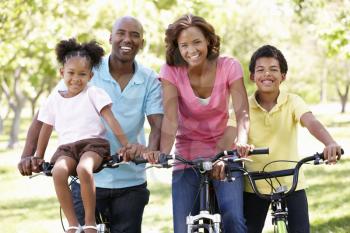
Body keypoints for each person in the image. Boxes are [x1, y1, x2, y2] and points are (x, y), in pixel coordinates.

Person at [17, 16, 163, 233]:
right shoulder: (83, 67)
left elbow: (157, 125)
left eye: (135, 35)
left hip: (130, 179)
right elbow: (45, 116)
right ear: (111, 37)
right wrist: (29, 155)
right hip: (87, 176)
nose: (127, 39)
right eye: (121, 33)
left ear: (142, 42)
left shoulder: (149, 78)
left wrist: (151, 151)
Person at [158, 14, 250, 233]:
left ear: (208, 40)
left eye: (197, 42)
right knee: (183, 227)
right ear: (177, 47)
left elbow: (241, 110)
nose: (191, 50)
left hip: (225, 152)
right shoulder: (171, 71)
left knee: (234, 221)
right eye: (184, 45)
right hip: (186, 154)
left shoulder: (229, 66)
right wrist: (163, 153)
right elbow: (170, 118)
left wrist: (242, 141)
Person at [243, 45, 342, 233]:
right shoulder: (244, 106)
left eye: (274, 69)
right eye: (260, 70)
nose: (267, 74)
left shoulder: (293, 101)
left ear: (283, 76)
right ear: (252, 76)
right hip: (254, 184)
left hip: (291, 182)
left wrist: (329, 142)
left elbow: (311, 122)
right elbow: (233, 131)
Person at [35, 38, 129, 233]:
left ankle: (89, 222)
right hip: (66, 149)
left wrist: (126, 145)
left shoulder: (94, 93)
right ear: (62, 72)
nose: (76, 78)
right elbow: (45, 128)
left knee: (84, 168)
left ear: (90, 76)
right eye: (71, 73)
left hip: (93, 146)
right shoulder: (54, 99)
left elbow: (111, 120)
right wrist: (38, 155)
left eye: (82, 74)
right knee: (59, 171)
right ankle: (72, 223)